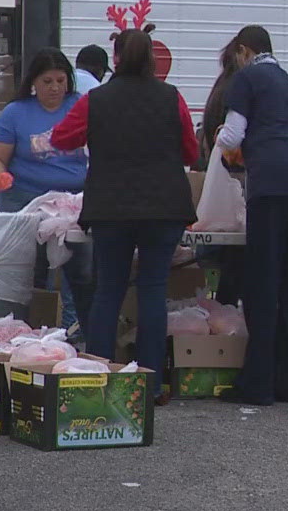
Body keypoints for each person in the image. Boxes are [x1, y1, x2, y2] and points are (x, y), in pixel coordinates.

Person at [52, 27, 198, 404]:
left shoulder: (96, 100)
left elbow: (63, 138)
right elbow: (190, 151)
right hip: (164, 206)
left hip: (111, 207)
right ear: (152, 58)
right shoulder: (171, 98)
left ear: (114, 58)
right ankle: (149, 383)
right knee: (152, 291)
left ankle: (99, 375)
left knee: (108, 290)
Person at [212, 26, 288, 406]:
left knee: (263, 282)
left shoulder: (247, 78)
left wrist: (216, 144)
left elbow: (231, 135)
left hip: (271, 185)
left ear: (244, 51)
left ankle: (258, 383)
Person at [0, 48, 94, 332]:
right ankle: (26, 328)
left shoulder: (81, 107)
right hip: (26, 199)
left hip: (73, 203)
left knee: (79, 271)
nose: (55, 88)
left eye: (61, 80)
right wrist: (0, 176)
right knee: (29, 272)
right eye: (47, 81)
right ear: (33, 82)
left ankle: (76, 329)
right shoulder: (16, 112)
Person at [197, 42, 247, 307]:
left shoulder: (220, 87)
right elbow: (232, 138)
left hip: (220, 184)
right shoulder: (240, 88)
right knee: (240, 261)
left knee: (231, 264)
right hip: (237, 184)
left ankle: (225, 312)